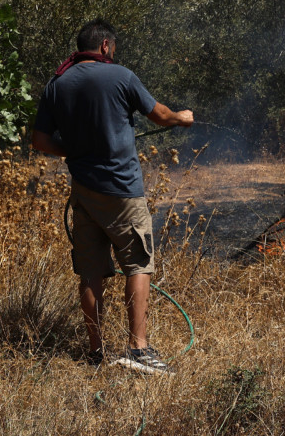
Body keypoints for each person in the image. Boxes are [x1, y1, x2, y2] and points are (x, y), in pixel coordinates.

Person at [31, 19, 193, 375]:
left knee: (90, 273)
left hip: (84, 193)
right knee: (138, 263)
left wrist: (75, 153)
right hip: (122, 191)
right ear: (105, 46)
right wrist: (181, 118)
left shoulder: (56, 84)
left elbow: (40, 142)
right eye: (113, 48)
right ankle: (139, 349)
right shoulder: (120, 76)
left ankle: (95, 352)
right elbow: (160, 115)